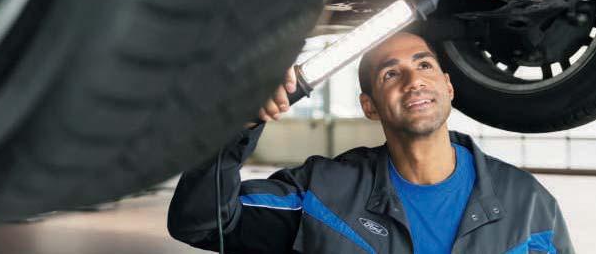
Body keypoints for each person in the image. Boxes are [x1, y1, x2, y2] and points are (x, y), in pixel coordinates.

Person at [168, 32, 574, 253]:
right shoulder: (322, 193)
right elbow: (203, 224)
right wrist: (236, 123)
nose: (414, 80)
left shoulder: (530, 205)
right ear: (370, 106)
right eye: (389, 74)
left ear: (448, 86)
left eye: (424, 65)